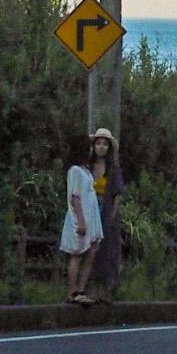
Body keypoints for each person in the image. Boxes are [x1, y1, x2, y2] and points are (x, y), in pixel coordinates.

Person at [60, 133, 103, 303]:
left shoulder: (86, 170)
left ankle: (81, 289)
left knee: (90, 252)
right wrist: (81, 221)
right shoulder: (75, 170)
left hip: (91, 217)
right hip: (80, 218)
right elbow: (75, 196)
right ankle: (72, 292)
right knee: (76, 254)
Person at [89, 128, 125, 298]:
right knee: (89, 250)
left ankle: (106, 291)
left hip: (106, 210)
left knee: (107, 249)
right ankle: (90, 289)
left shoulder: (113, 168)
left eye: (104, 144)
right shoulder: (87, 166)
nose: (101, 147)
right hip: (90, 209)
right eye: (98, 144)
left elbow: (118, 194)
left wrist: (112, 215)